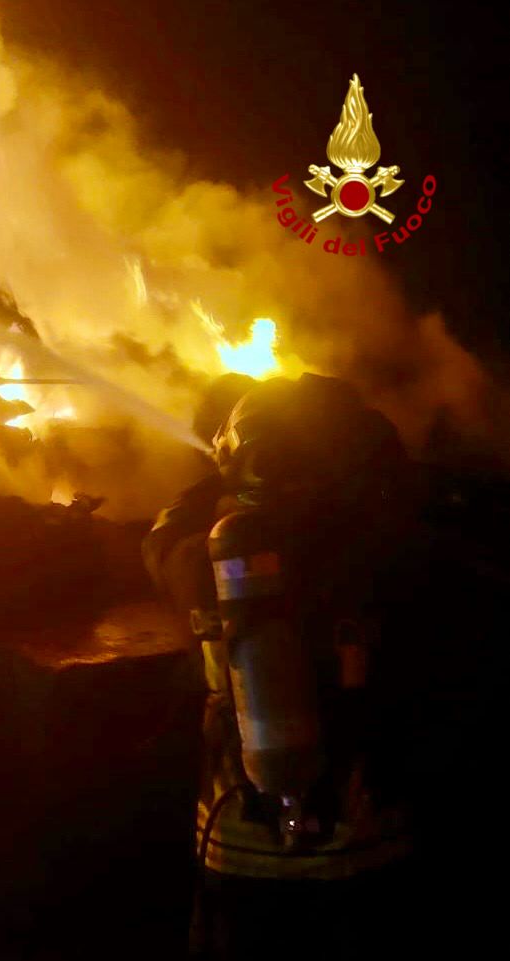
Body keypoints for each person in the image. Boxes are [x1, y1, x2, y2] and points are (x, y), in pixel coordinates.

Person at [143, 372, 428, 959]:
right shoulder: (384, 550)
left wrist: (219, 473)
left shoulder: (202, 559)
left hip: (239, 850)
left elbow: (162, 535)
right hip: (367, 846)